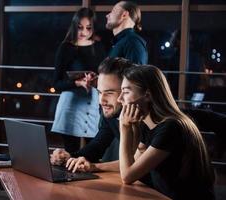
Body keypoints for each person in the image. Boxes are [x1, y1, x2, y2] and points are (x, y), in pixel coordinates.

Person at [117, 65, 215, 199]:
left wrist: (124, 128)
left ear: (147, 95)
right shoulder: (148, 125)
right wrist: (94, 166)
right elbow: (133, 163)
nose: (119, 99)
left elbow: (127, 176)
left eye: (126, 92)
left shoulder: (170, 127)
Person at [51, 57, 135, 171]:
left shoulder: (144, 117)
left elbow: (136, 164)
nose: (101, 100)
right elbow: (97, 146)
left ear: (127, 91)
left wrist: (94, 167)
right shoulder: (111, 114)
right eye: (100, 92)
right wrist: (70, 157)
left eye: (109, 93)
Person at [51, 7, 106, 153]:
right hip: (71, 105)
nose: (84, 32)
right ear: (74, 26)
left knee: (93, 152)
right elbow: (56, 83)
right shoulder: (65, 48)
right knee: (71, 152)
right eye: (80, 27)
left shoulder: (98, 47)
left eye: (89, 28)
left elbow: (107, 75)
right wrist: (77, 82)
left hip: (93, 103)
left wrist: (95, 79)